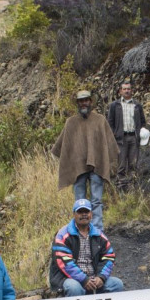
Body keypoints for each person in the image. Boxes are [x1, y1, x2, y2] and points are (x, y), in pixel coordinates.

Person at [52, 90, 118, 232]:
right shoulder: (71, 122)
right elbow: (62, 146)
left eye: (86, 100)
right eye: (81, 101)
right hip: (78, 168)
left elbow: (109, 143)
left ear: (91, 102)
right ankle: (80, 230)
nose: (83, 103)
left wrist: (111, 162)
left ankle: (98, 231)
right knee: (79, 202)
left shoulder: (100, 120)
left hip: (97, 166)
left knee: (96, 200)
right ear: (77, 103)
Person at [50, 198, 125, 296]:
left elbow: (109, 257)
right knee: (74, 288)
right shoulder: (63, 235)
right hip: (69, 279)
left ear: (91, 214)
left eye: (86, 211)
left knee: (116, 284)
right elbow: (65, 262)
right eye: (80, 212)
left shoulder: (99, 235)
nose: (84, 214)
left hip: (93, 278)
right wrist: (84, 280)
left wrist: (101, 277)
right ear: (74, 214)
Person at [107, 82, 146, 183]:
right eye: (124, 89)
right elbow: (110, 122)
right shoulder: (115, 105)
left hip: (134, 137)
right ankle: (121, 185)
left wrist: (140, 133)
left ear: (132, 91)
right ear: (120, 91)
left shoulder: (137, 105)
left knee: (133, 163)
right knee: (121, 163)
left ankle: (132, 185)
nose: (127, 91)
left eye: (128, 89)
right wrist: (114, 135)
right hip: (121, 138)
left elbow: (142, 121)